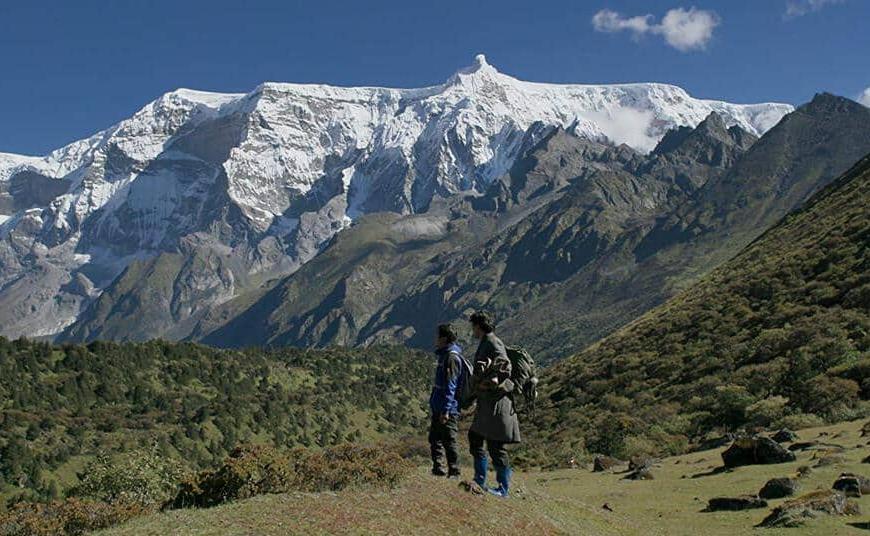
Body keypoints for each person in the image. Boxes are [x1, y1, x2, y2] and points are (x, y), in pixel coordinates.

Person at [467, 311, 520, 497]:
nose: (472, 330)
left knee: (496, 447)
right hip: (489, 404)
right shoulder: (487, 341)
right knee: (476, 438)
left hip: (498, 404)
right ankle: (481, 480)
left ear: (478, 326)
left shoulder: (492, 342)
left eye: (473, 326)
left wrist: (488, 383)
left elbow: (505, 366)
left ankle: (503, 489)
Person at [428, 323, 463, 478]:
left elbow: (451, 385)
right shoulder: (445, 355)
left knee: (449, 439)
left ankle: (454, 471)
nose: (435, 339)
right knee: (435, 438)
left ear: (443, 338)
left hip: (446, 407)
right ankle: (439, 468)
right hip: (439, 405)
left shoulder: (451, 357)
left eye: (437, 336)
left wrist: (446, 409)